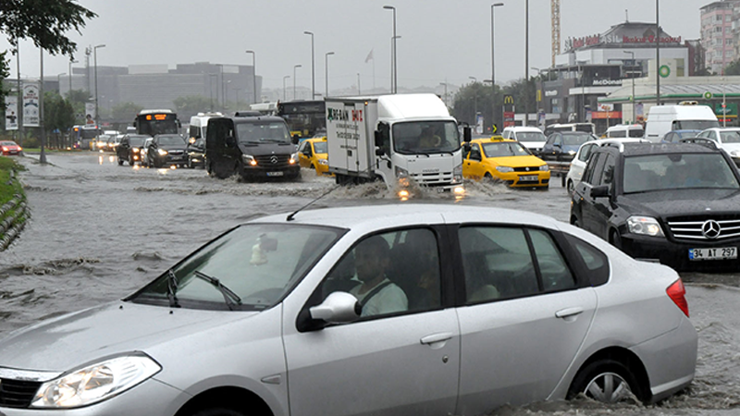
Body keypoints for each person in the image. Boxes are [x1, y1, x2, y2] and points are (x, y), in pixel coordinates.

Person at [349, 235, 408, 317]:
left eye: (367, 257)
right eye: (357, 257)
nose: (359, 263)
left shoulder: (391, 294)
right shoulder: (353, 292)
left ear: (384, 262)